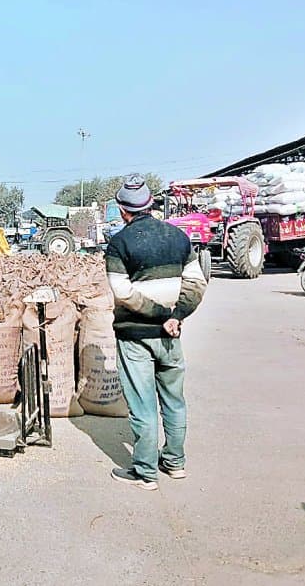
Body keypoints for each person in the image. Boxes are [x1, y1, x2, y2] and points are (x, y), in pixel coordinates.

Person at [105, 174, 208, 490]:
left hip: (136, 337)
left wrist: (161, 314)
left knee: (143, 404)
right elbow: (197, 283)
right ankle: (175, 462)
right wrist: (176, 316)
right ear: (150, 205)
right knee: (174, 400)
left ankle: (145, 472)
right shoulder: (178, 238)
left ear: (124, 210)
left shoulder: (120, 244)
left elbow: (123, 293)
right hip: (171, 335)